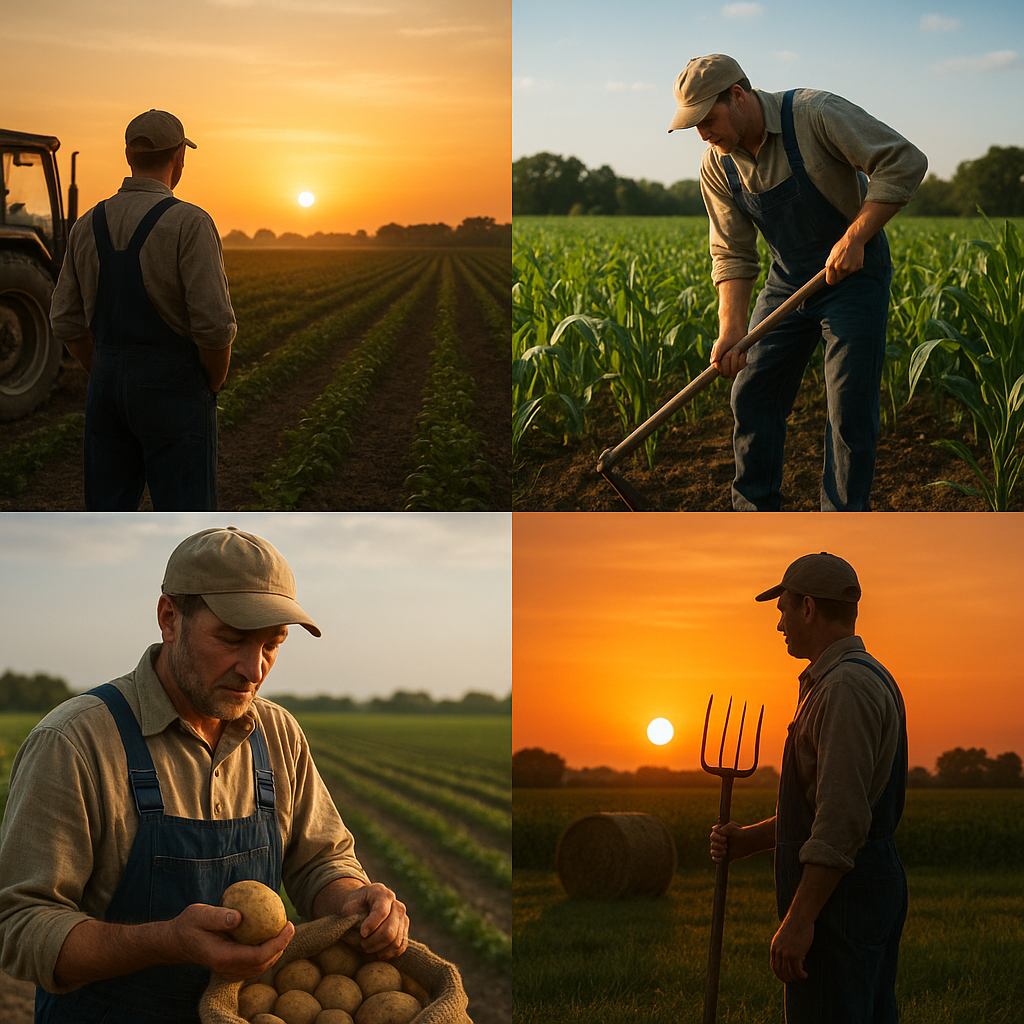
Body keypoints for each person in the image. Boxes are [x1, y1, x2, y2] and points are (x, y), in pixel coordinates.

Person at [0, 526, 409, 1024]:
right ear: (169, 618)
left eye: (273, 644)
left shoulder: (278, 733)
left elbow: (319, 861)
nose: (254, 669)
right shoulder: (74, 742)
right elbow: (21, 926)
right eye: (232, 639)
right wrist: (166, 941)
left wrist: (351, 898)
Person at [668, 55, 928, 511]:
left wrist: (855, 237)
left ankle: (842, 522)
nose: (704, 134)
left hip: (853, 277)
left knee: (848, 407)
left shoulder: (815, 114)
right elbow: (732, 252)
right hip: (787, 281)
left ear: (738, 96)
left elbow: (903, 160)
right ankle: (755, 514)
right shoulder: (717, 165)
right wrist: (732, 330)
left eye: (708, 120)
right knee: (752, 391)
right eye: (694, 126)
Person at [709, 552, 908, 1023]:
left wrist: (799, 921)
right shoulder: (858, 676)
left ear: (808, 608)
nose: (779, 625)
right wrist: (750, 839)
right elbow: (827, 805)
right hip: (860, 892)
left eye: (783, 609)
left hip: (842, 903)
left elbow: (840, 821)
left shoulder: (843, 689)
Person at [50, 109, 236, 512]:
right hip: (175, 392)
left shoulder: (87, 224)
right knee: (186, 517)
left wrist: (105, 367)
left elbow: (64, 318)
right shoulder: (189, 222)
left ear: (128, 156)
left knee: (107, 516)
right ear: (179, 157)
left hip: (105, 390)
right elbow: (215, 328)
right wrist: (211, 385)